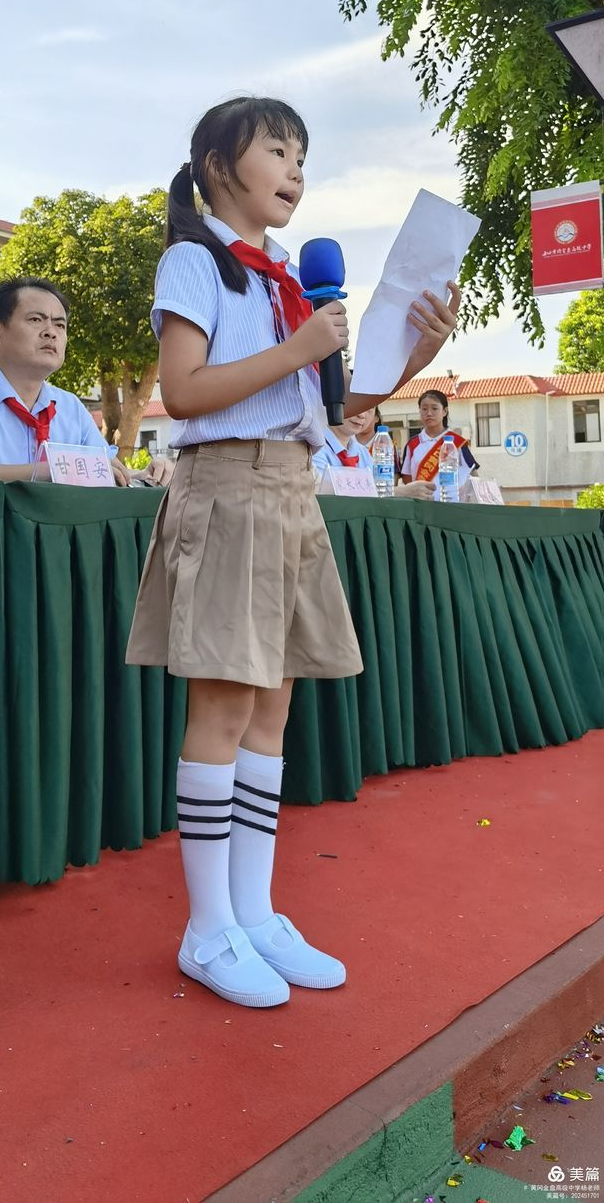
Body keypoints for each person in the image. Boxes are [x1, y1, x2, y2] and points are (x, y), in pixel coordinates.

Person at [125, 95, 461, 1009]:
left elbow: (328, 409)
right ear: (216, 164)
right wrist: (306, 343)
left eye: (302, 154)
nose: (296, 169)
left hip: (290, 489)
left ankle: (253, 912)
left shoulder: (288, 278)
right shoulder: (196, 261)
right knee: (225, 707)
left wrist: (419, 352)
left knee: (271, 710)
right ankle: (206, 928)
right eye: (277, 149)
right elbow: (185, 391)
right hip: (226, 488)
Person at [0, 276, 172, 487]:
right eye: (36, 320)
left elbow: (104, 468)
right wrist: (56, 470)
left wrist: (145, 475)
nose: (51, 333)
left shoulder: (69, 406)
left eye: (60, 325)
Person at [400, 388, 478, 497]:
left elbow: (473, 474)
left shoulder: (457, 442)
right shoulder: (412, 444)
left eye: (434, 408)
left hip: (451, 505)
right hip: (421, 506)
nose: (429, 413)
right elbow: (407, 478)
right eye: (424, 409)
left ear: (444, 411)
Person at [349, 405, 434, 500]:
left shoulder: (385, 445)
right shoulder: (347, 443)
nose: (362, 416)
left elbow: (393, 480)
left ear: (376, 417)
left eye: (369, 410)